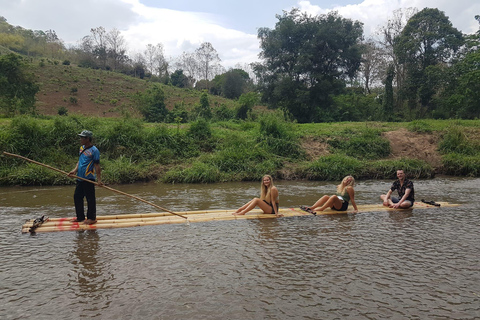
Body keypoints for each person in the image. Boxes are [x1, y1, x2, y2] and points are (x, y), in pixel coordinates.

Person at [68, 130, 102, 225]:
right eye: (81, 137)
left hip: (89, 178)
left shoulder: (94, 150)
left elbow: (97, 165)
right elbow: (80, 161)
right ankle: (80, 217)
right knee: (77, 197)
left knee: (90, 198)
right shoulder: (81, 148)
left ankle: (92, 218)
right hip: (80, 178)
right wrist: (74, 170)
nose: (81, 139)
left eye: (83, 137)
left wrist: (99, 180)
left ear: (88, 139)